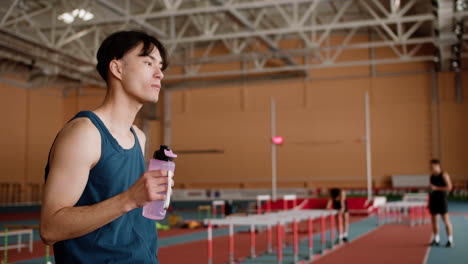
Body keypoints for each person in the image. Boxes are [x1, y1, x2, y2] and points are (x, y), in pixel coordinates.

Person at [40, 30, 171, 263]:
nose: (159, 73)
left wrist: (149, 195)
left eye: (160, 66)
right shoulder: (85, 133)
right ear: (117, 68)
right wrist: (130, 198)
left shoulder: (137, 136)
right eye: (148, 62)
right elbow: (50, 229)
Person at [428, 159, 454, 247]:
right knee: (434, 221)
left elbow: (449, 187)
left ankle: (450, 240)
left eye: (432, 166)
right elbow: (432, 189)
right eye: (430, 166)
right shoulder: (431, 176)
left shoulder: (444, 175)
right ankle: (436, 239)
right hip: (433, 200)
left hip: (442, 200)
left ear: (437, 165)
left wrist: (437, 188)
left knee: (446, 221)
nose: (431, 167)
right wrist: (429, 202)